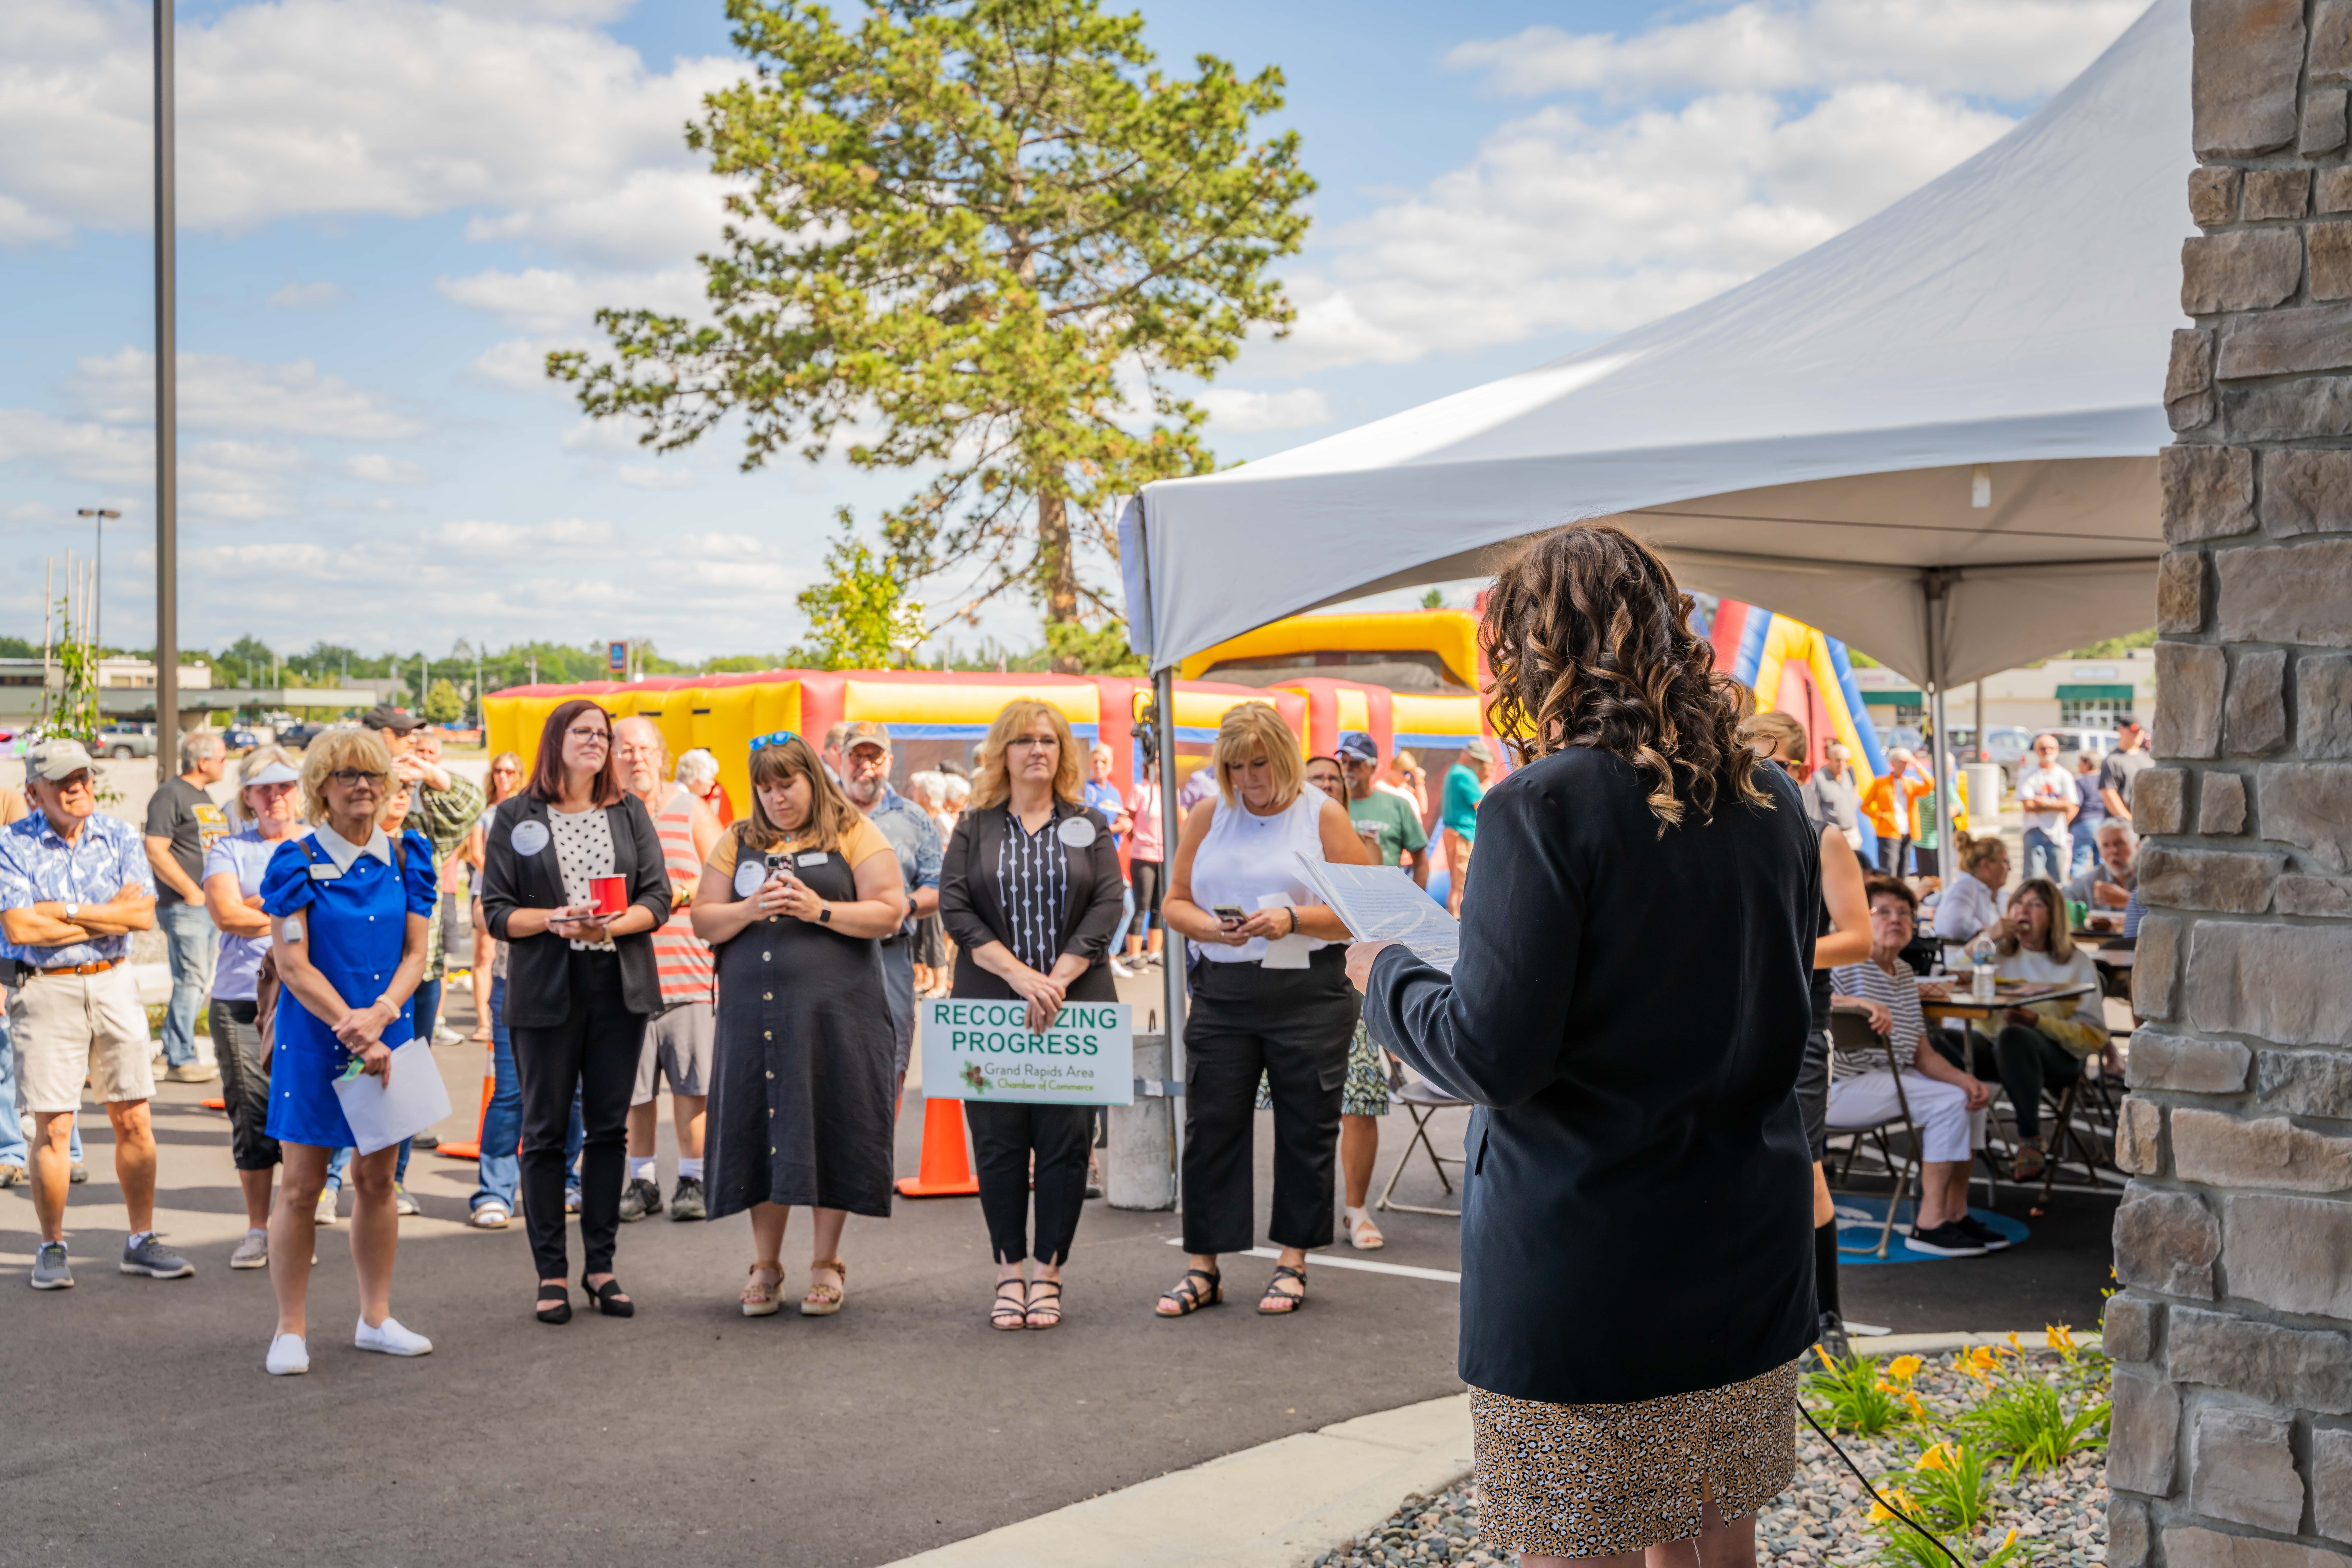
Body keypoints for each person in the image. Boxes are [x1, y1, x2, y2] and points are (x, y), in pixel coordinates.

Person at [1352, 524, 1817, 1568]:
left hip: (1592, 1257)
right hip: (1744, 1238)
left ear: (1536, 647)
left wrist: (1382, 975)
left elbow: (1491, 1054)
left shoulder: (1542, 804)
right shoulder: (1770, 795)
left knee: (1583, 1549)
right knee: (1711, 1550)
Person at [1156, 701, 1371, 1319]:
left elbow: (1364, 907)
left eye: (1259, 764)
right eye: (1236, 767)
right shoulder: (1208, 814)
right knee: (1211, 1124)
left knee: (1306, 1126)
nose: (1249, 779)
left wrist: (1294, 918)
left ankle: (1292, 1259)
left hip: (1306, 989)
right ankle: (1204, 1266)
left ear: (1282, 754)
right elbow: (1173, 901)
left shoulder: (1320, 815)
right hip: (1224, 992)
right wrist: (1207, 926)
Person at [692, 731, 906, 1319]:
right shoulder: (738, 839)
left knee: (827, 1126)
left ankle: (825, 1262)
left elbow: (891, 908)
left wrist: (821, 910)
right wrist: (748, 910)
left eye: (786, 785)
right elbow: (703, 921)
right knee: (763, 1131)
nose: (775, 798)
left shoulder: (852, 832)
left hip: (836, 1015)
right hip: (752, 1016)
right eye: (764, 788)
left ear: (813, 776)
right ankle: (765, 1265)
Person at [480, 699, 671, 1326]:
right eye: (585, 732)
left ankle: (601, 1267)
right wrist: (556, 922)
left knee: (609, 1130)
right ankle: (551, 1273)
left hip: (617, 984)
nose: (598, 742)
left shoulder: (628, 811)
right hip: (544, 987)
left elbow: (659, 898)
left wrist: (616, 925)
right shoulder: (515, 815)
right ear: (555, 739)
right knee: (542, 1132)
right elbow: (497, 913)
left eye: (605, 735)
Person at [937, 701, 1126, 1329]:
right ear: (1003, 753)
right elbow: (956, 909)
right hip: (992, 1002)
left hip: (1075, 1004)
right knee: (996, 1141)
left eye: (1048, 740)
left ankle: (1048, 1272)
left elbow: (1108, 902)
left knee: (1066, 1141)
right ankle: (1007, 1272)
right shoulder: (974, 827)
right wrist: (1019, 976)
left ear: (1062, 752)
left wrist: (1058, 977)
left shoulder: (1090, 824)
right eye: (1023, 741)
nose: (1036, 750)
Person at [258, 728, 440, 1373]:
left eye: (371, 774)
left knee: (376, 1182)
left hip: (389, 1034)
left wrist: (384, 1016)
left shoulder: (410, 855)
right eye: (346, 776)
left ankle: (377, 1317)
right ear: (321, 788)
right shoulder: (294, 860)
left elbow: (417, 953)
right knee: (302, 1187)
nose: (362, 786)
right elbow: (292, 963)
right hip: (314, 1041)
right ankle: (290, 1331)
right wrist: (351, 1024)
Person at [1, 740, 185, 1292]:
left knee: (135, 1119)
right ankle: (52, 1244)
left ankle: (141, 1239)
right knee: (54, 1127)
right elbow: (20, 929)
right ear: (34, 792)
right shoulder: (12, 844)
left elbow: (143, 917)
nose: (77, 787)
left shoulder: (121, 835)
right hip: (46, 991)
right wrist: (108, 919)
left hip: (112, 984)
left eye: (83, 776)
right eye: (62, 780)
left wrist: (66, 912)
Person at [1739, 709, 1870, 1359]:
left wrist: (1776, 953)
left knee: (1808, 1168)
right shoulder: (1724, 837)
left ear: (1800, 770)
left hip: (1796, 1024)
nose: (1760, 775)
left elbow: (1859, 939)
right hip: (1731, 1024)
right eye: (1747, 761)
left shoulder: (1822, 838)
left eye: (1775, 764)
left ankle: (1827, 1319)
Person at [1829, 877, 2001, 1257]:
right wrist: (1858, 1006)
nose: (1896, 920)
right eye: (1883, 912)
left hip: (1890, 1078)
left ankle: (1956, 1213)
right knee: (1948, 1103)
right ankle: (1928, 1225)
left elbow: (1922, 1054)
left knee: (1969, 1097)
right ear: (1859, 918)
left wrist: (1966, 1079)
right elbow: (1807, 992)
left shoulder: (1904, 973)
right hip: (1839, 1087)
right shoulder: (1843, 961)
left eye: (1905, 913)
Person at [611, 718, 722, 1224]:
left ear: (661, 754)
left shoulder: (690, 809)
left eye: (644, 749)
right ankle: (644, 1180)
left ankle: (693, 1179)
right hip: (626, 980)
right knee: (635, 1092)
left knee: (691, 1089)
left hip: (688, 975)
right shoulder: (606, 815)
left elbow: (727, 879)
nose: (636, 758)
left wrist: (672, 894)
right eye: (625, 750)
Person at [1288, 745, 1399, 1250]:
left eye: (1333, 779)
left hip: (1351, 981)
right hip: (1288, 984)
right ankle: (1298, 1219)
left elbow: (1374, 909)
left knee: (1358, 1100)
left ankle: (1355, 1209)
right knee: (1299, 1106)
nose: (1327, 784)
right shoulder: (1283, 839)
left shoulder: (1362, 841)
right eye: (1316, 778)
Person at [201, 745, 305, 1269]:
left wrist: (258, 905)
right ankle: (260, 1229)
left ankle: (295, 1226)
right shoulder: (228, 849)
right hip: (241, 1000)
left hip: (306, 998)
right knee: (253, 1115)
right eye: (264, 788)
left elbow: (327, 915)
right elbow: (225, 915)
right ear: (246, 796)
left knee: (301, 1115)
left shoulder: (317, 844)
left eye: (285, 786)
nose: (275, 797)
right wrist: (290, 909)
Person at [1969, 877, 2106, 1182]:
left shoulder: (2076, 963)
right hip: (1996, 1051)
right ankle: (1960, 1139)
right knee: (1946, 1043)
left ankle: (2030, 1138)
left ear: (2053, 915)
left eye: (2035, 905)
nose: (2024, 912)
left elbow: (2094, 1035)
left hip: (2058, 1057)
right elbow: (1949, 975)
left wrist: (2037, 1022)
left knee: (2014, 1037)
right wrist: (1987, 937)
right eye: (2018, 903)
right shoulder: (1998, 953)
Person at [835, 722, 943, 1106]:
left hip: (891, 954)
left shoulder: (914, 819)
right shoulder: (818, 812)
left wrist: (904, 906)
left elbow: (937, 884)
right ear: (840, 759)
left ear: (890, 762)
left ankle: (880, 1153)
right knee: (828, 1056)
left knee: (891, 1056)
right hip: (827, 951)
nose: (866, 765)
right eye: (857, 756)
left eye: (875, 756)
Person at [365, 711, 482, 1050]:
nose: (403, 795)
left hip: (422, 974)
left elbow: (472, 803)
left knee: (415, 1061)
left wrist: (428, 772)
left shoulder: (422, 833)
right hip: (373, 970)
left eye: (409, 789)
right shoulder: (354, 837)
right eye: (394, 788)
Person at [0, 781, 86, 1191]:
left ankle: (67, 1152)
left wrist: (4, 978)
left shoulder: (7, 801)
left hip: (20, 953)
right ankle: (11, 1153)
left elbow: (28, 899)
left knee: (43, 1057)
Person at [145, 728, 228, 1084]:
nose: (227, 765)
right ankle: (181, 1057)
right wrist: (190, 891)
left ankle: (170, 1052)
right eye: (223, 759)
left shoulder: (202, 796)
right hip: (186, 905)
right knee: (192, 980)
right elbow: (155, 848)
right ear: (204, 761)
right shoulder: (170, 796)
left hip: (207, 905)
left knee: (196, 980)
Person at [467, 751, 523, 1040]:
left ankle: (509, 1015)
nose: (504, 776)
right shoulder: (486, 813)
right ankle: (484, 1021)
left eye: (510, 772)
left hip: (518, 893)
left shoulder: (526, 811)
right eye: (499, 770)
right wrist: (500, 878)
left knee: (513, 954)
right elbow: (476, 853)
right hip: (486, 888)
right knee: (484, 955)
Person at [1338, 731, 1430, 888]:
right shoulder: (1331, 806)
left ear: (1373, 768)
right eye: (1344, 762)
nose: (1348, 769)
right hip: (1342, 904)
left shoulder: (1398, 805)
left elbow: (1421, 861)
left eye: (1356, 763)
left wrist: (1417, 903)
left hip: (1387, 902)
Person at [1438, 737, 1495, 917]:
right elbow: (1483, 806)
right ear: (1468, 756)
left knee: (1457, 886)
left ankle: (1456, 923)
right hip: (1463, 834)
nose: (1480, 765)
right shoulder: (1464, 774)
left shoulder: (1454, 772)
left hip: (1454, 832)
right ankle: (1460, 927)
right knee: (1464, 886)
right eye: (1478, 760)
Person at [1122, 754, 1166, 971]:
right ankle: (1133, 955)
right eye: (1154, 763)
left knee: (1159, 907)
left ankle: (1155, 952)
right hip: (1143, 857)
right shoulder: (1139, 790)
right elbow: (1127, 822)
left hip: (1164, 857)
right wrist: (1138, 841)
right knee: (1141, 906)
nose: (1157, 767)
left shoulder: (1169, 791)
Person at [2016, 733, 2077, 883]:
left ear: (2057, 750)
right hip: (2034, 830)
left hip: (2057, 833)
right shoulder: (2029, 775)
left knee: (2059, 879)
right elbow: (2029, 806)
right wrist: (2057, 805)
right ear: (2037, 751)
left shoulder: (2064, 775)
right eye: (2043, 749)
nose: (2047, 752)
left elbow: (2070, 805)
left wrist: (2044, 803)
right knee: (2033, 878)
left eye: (2051, 748)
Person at [1859, 748, 1929, 876]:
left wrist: (1916, 764)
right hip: (1888, 832)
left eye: (1905, 762)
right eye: (1900, 762)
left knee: (1903, 871)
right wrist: (1881, 816)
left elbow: (1930, 785)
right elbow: (1865, 806)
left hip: (1907, 832)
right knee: (1889, 870)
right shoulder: (1881, 783)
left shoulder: (1910, 783)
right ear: (1893, 763)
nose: (1903, 765)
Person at [1935, 835, 2010, 950]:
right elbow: (1956, 926)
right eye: (2005, 862)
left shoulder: (1998, 893)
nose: (2010, 868)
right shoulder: (1965, 888)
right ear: (1986, 866)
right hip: (1964, 965)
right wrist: (1990, 931)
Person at [2065, 821, 2139, 913]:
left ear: (2137, 846)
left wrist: (2129, 901)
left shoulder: (2151, 879)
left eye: (2119, 844)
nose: (2113, 851)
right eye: (2106, 846)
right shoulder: (2089, 881)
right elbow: (2061, 900)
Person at [1804, 741, 1863, 851]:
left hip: (1851, 833)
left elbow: (1855, 790)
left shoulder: (1847, 774)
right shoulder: (1820, 777)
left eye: (1846, 761)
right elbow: (1813, 808)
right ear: (1830, 759)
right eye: (1838, 760)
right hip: (1833, 835)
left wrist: (1851, 810)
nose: (1842, 764)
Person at [2098, 719, 2151, 828]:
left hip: (2146, 822)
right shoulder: (2113, 761)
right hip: (2122, 826)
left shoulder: (2148, 760)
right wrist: (2129, 821)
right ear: (2121, 730)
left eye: (2141, 731)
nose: (2138, 734)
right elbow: (2109, 794)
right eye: (2134, 731)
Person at [2068, 752, 2106, 881]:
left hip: (2084, 823)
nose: (2078, 766)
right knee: (2101, 862)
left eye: (2080, 762)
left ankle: (2075, 896)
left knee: (2079, 861)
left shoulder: (2080, 781)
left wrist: (2065, 824)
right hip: (2103, 823)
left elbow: (2075, 805)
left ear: (2088, 764)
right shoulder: (2105, 780)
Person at [677, 747, 733, 826]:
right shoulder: (686, 802)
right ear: (697, 780)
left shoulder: (674, 793)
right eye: (711, 779)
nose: (713, 783)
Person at [1378, 748, 1429, 820]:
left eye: (1411, 774)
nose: (1408, 778)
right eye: (1406, 773)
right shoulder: (1379, 788)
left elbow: (1423, 810)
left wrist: (1420, 783)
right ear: (1396, 768)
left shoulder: (1405, 788)